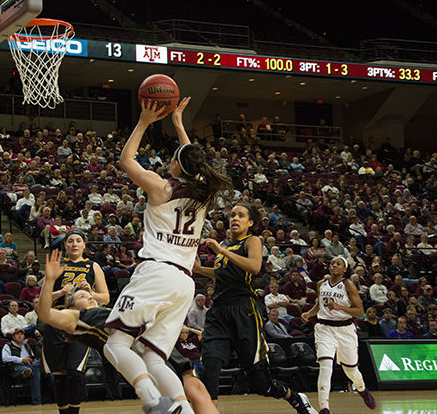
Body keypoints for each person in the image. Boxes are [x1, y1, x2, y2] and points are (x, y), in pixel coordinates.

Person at [103, 98, 232, 414]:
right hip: (185, 284)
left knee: (115, 345)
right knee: (153, 357)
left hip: (157, 273)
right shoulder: (202, 194)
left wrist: (145, 120)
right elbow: (194, 163)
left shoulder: (162, 187)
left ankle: (151, 400)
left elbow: (126, 159)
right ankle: (182, 410)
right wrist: (178, 124)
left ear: (175, 164)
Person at [39, 250, 218, 414]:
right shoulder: (77, 317)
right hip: (138, 354)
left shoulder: (114, 309)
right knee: (175, 398)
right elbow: (45, 314)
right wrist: (49, 281)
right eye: (82, 296)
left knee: (197, 390)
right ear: (70, 306)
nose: (90, 296)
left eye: (90, 294)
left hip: (155, 341)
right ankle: (155, 399)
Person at [193, 203, 315, 413]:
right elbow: (221, 272)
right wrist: (199, 269)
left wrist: (221, 250)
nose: (234, 218)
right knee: (210, 365)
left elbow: (254, 267)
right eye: (232, 215)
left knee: (261, 383)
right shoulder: (225, 245)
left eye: (240, 215)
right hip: (219, 311)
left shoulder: (252, 241)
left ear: (250, 222)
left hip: (244, 310)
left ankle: (295, 397)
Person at [42, 230, 109, 414]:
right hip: (57, 320)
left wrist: (91, 293)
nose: (74, 244)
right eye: (70, 241)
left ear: (84, 245)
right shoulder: (58, 265)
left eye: (78, 241)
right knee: (59, 376)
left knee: (75, 372)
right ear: (65, 245)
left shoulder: (93, 266)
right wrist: (61, 292)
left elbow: (106, 298)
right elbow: (41, 299)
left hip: (80, 322)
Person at [301, 256, 376, 414]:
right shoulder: (321, 284)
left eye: (338, 264)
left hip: (345, 330)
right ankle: (324, 408)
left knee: (351, 371)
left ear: (344, 269)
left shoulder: (348, 286)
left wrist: (339, 308)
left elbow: (360, 313)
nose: (334, 265)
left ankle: (362, 390)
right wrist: (309, 313)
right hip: (324, 328)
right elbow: (319, 303)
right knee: (326, 366)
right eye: (333, 263)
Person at [1, 328, 41, 405]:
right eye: (17, 334)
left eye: (21, 334)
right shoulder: (8, 346)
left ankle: (28, 371)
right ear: (13, 337)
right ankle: (37, 401)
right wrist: (21, 360)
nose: (20, 336)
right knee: (35, 371)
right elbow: (5, 358)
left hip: (30, 365)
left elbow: (32, 356)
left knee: (39, 362)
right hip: (16, 367)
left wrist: (33, 360)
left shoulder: (27, 345)